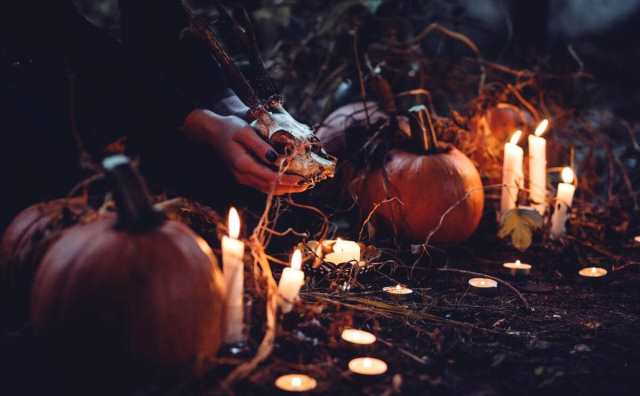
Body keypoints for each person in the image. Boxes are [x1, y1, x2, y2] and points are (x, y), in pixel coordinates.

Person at [0, 0, 305, 228]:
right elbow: (58, 34)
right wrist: (193, 119)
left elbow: (159, 19)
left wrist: (229, 104)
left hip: (132, 94)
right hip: (31, 94)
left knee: (241, 193)